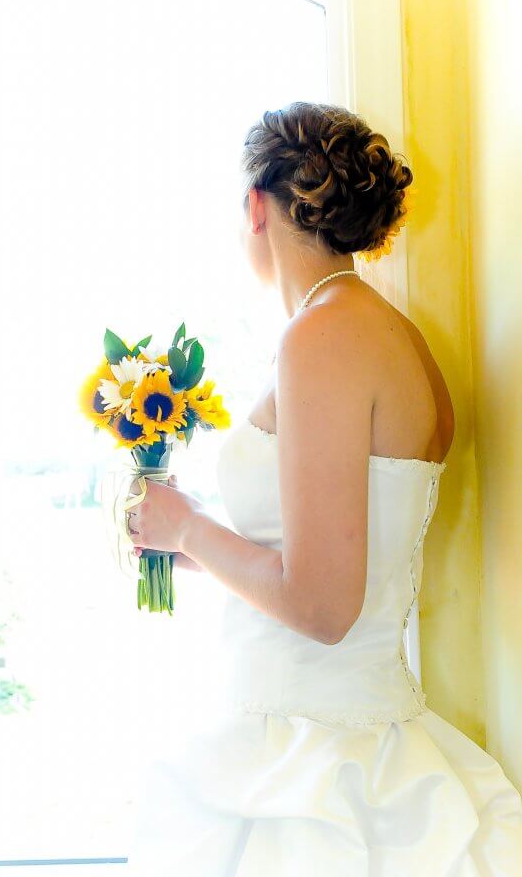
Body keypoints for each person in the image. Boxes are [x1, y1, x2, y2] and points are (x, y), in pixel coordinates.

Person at [124, 102, 522, 875]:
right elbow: (325, 559)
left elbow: (322, 607)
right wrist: (172, 540)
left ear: (255, 208)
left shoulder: (324, 336)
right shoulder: (379, 330)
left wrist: (187, 529)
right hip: (324, 736)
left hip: (314, 761)